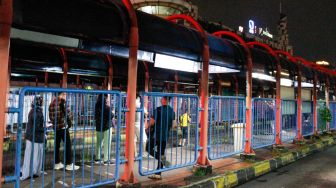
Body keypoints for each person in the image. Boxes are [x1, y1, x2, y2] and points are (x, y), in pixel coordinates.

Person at [49, 92, 79, 171]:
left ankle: (57, 163)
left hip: (56, 128)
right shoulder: (62, 104)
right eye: (65, 94)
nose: (66, 96)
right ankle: (69, 164)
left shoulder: (51, 104)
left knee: (57, 146)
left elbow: (51, 118)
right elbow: (68, 115)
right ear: (61, 95)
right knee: (68, 145)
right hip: (63, 128)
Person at [147, 96, 175, 180]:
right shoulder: (172, 111)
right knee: (161, 152)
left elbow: (152, 122)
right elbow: (174, 125)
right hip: (165, 136)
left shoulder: (158, 109)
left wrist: (147, 126)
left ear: (164, 100)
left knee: (148, 148)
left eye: (162, 98)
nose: (160, 100)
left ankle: (160, 158)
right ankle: (158, 174)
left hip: (156, 135)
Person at [21, 96, 45, 180]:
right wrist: (46, 127)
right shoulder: (37, 112)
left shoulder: (32, 111)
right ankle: (32, 173)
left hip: (31, 136)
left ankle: (29, 172)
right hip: (35, 137)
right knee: (35, 156)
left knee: (30, 156)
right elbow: (37, 127)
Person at [95, 94, 114, 164]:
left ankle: (97, 158)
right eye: (107, 98)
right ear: (105, 99)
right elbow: (111, 116)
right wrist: (113, 112)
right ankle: (106, 159)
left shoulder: (96, 106)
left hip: (99, 127)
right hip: (107, 127)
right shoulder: (106, 107)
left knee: (99, 143)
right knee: (107, 143)